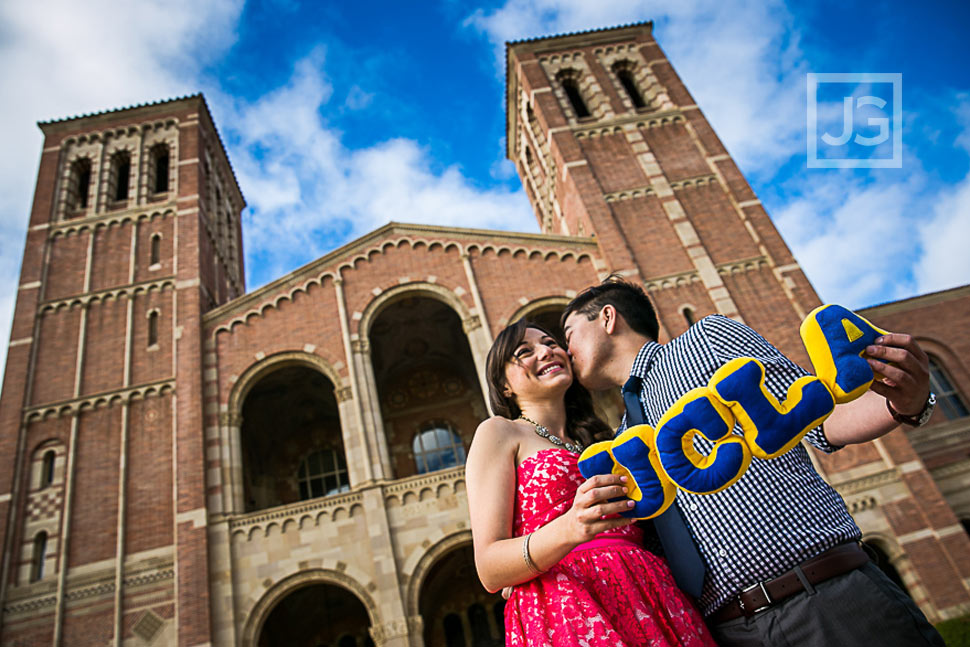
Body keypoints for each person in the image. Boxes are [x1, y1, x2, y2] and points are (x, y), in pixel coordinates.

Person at [561, 278, 945, 647]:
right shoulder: (624, 441)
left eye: (569, 334)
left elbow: (818, 418)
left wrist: (909, 404)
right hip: (726, 632)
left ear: (608, 318)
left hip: (823, 598)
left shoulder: (705, 340)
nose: (566, 351)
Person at [465, 319, 717, 646]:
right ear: (504, 386)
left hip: (651, 589)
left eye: (552, 343)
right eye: (525, 351)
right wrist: (570, 528)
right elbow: (489, 569)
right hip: (570, 604)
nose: (546, 351)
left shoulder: (601, 438)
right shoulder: (499, 431)